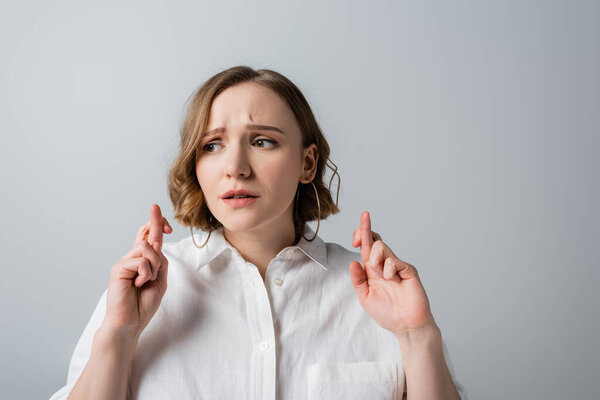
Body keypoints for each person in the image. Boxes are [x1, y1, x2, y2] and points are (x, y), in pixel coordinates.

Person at [49, 66, 466, 400]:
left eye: (263, 141)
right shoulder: (143, 293)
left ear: (308, 164)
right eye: (211, 145)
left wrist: (416, 335)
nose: (235, 167)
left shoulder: (378, 298)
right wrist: (119, 335)